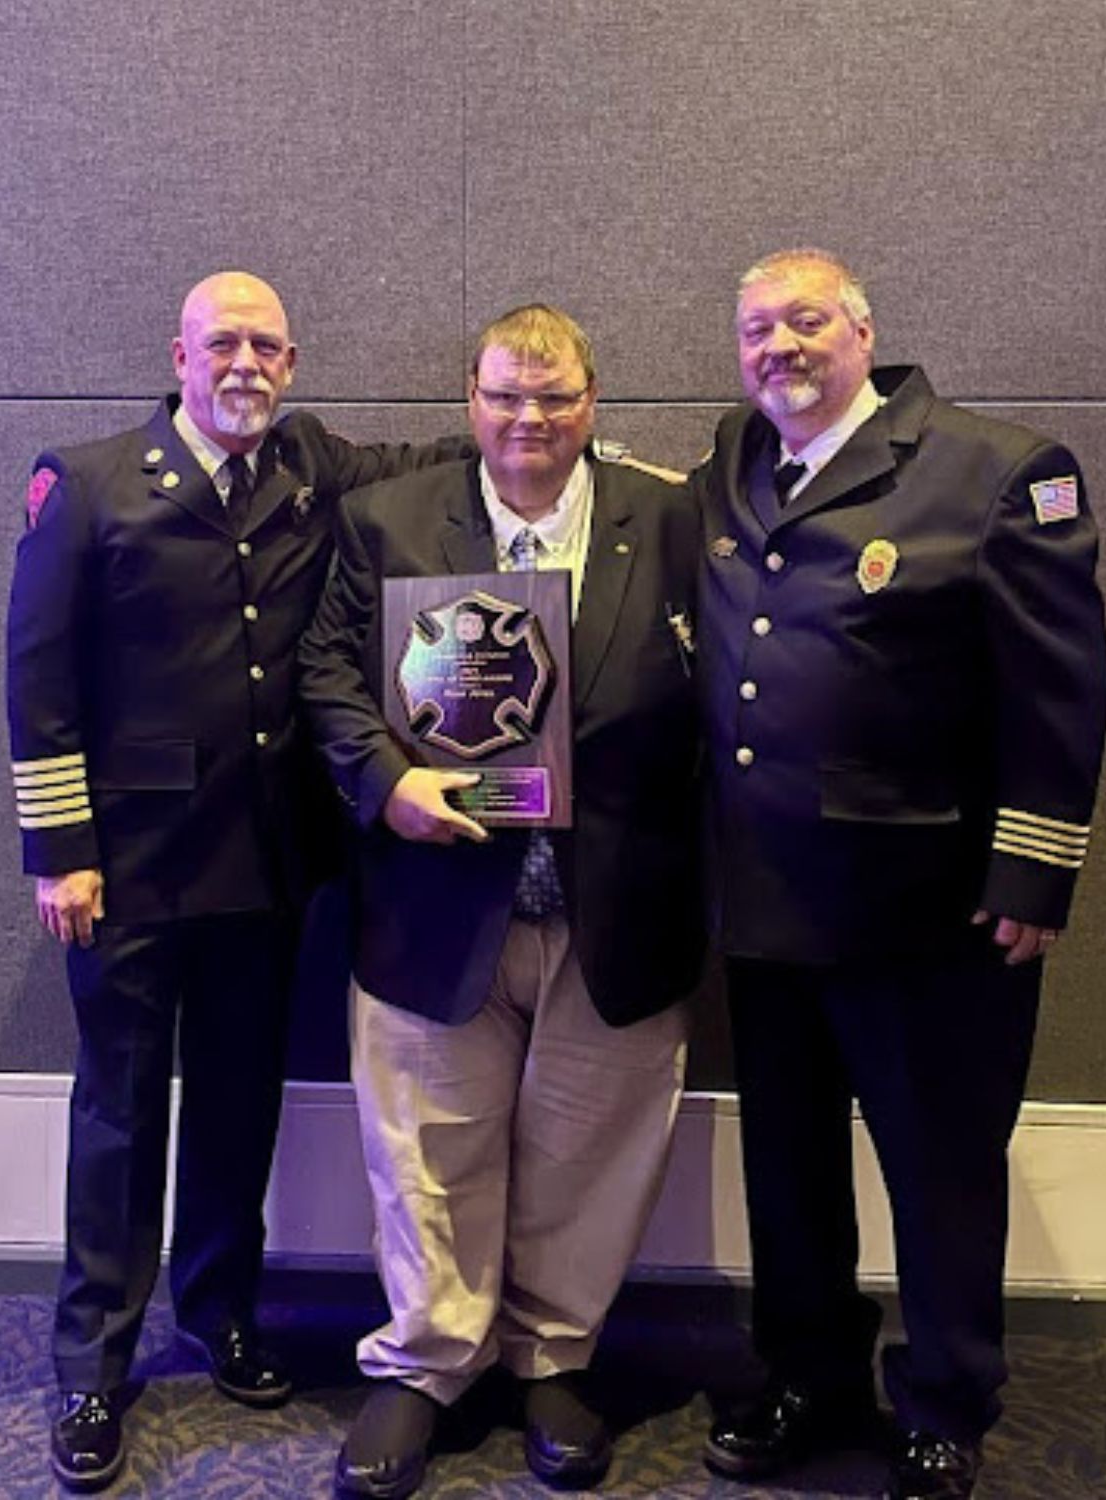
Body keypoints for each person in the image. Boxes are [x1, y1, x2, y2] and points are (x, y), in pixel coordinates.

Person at [6, 270, 470, 1493]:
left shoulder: (308, 464)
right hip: (129, 871)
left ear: (295, 362)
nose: (246, 366)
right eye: (225, 344)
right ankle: (91, 1366)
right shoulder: (92, 481)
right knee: (117, 1118)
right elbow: (38, 681)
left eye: (267, 347)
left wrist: (542, 424)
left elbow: (431, 459)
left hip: (265, 868)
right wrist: (62, 854)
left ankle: (218, 1313)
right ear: (181, 352)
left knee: (234, 1105)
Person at [693, 249, 1106, 1500]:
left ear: (864, 332)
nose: (781, 347)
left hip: (928, 913)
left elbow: (1061, 688)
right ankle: (809, 1377)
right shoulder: (734, 459)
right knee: (791, 1171)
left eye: (806, 322)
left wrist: (1033, 876)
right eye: (758, 328)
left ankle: (944, 1400)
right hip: (769, 904)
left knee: (939, 1171)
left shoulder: (995, 473)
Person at [298, 304, 704, 1498]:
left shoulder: (671, 520)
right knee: (428, 1148)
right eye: (504, 398)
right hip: (436, 897)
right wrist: (387, 782)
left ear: (594, 402)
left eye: (556, 398)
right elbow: (326, 671)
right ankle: (426, 1361)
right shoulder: (388, 519)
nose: (529, 421)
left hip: (615, 902)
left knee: (590, 1143)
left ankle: (552, 1356)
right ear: (468, 401)